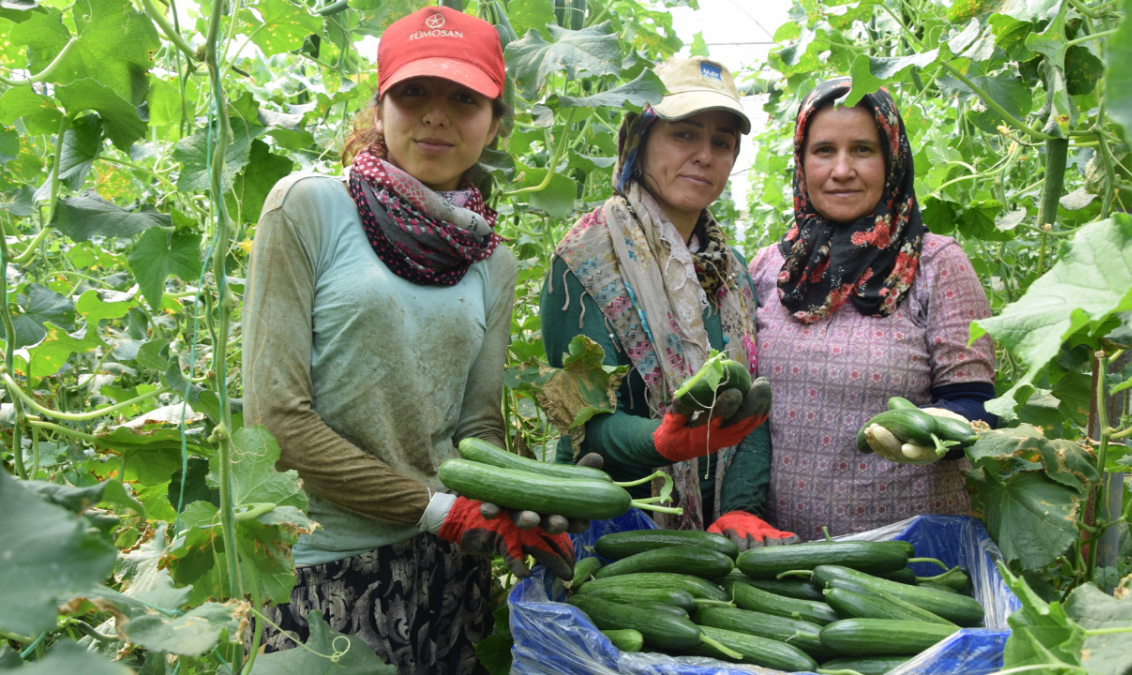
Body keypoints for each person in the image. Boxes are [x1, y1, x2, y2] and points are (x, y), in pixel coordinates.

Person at [242, 7, 573, 671]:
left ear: (494, 120)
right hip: (322, 566)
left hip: (453, 570)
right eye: (413, 92)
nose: (436, 115)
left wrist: (531, 498)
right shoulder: (307, 206)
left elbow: (476, 422)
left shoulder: (491, 260)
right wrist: (433, 508)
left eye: (464, 98)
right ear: (380, 104)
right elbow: (276, 421)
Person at [540, 57, 796, 550]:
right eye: (684, 134)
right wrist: (661, 442)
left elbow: (752, 411)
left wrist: (741, 506)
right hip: (613, 521)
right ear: (639, 139)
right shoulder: (583, 262)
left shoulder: (732, 271)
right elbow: (581, 423)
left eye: (722, 143)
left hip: (713, 539)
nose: (704, 155)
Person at [749, 77, 998, 540]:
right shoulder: (768, 268)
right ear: (801, 163)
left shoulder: (938, 264)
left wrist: (939, 436)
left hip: (912, 555)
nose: (842, 170)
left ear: (892, 159)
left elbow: (978, 403)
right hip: (780, 555)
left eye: (863, 149)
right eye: (824, 150)